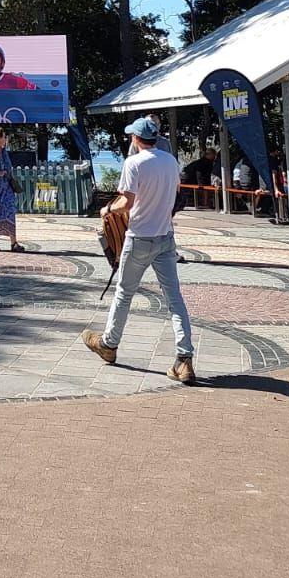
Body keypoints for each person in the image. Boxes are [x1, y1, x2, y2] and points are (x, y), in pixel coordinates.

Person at [81, 115, 197, 384]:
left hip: (139, 238)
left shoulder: (133, 163)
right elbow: (172, 197)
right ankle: (184, 358)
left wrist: (107, 208)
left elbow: (127, 203)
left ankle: (109, 344)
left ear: (135, 138)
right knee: (174, 299)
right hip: (166, 237)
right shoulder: (170, 161)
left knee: (124, 293)